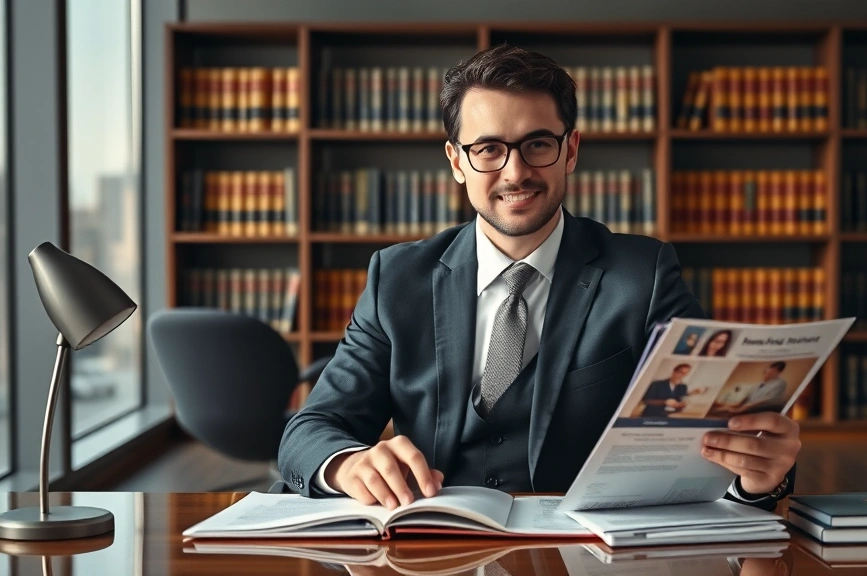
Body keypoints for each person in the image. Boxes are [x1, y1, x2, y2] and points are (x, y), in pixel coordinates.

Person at [278, 45, 798, 512]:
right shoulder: (397, 278)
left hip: (582, 553)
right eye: (488, 149)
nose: (514, 172)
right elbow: (310, 430)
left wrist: (757, 477)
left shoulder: (644, 275)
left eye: (537, 145)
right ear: (457, 161)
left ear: (570, 150)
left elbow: (715, 431)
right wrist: (347, 465)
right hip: (430, 548)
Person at [718, 362, 789, 415]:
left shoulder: (780, 383)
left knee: (737, 411)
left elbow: (767, 399)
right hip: (750, 406)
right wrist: (736, 404)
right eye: (765, 372)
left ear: (778, 373)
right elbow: (747, 397)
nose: (766, 375)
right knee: (726, 406)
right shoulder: (758, 384)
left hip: (767, 408)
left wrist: (741, 409)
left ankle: (732, 411)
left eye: (770, 373)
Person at [638, 363, 707, 417]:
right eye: (681, 372)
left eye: (685, 373)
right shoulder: (657, 384)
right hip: (651, 415)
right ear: (674, 372)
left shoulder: (683, 386)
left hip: (671, 415)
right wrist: (665, 402)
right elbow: (646, 400)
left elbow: (680, 397)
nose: (683, 375)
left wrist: (682, 403)